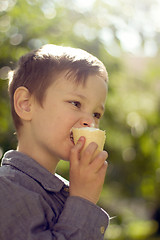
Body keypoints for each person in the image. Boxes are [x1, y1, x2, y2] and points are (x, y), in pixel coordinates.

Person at [0, 44, 110, 240]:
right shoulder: (5, 189)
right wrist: (83, 200)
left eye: (96, 113)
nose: (90, 121)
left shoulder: (68, 190)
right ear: (26, 104)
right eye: (76, 103)